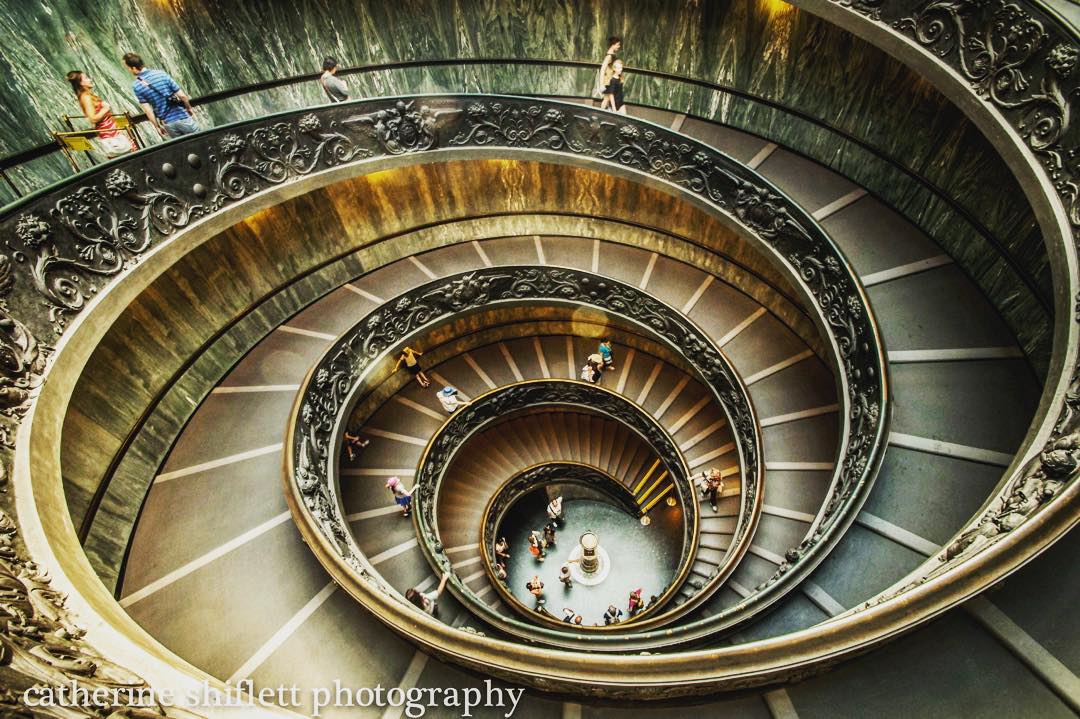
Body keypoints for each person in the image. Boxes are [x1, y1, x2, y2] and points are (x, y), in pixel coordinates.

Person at [123, 52, 199, 138]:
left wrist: (157, 127)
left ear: (133, 68)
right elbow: (182, 96)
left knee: (184, 147)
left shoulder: (137, 86)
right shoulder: (161, 74)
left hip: (168, 124)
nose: (128, 70)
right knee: (202, 141)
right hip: (183, 117)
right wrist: (189, 108)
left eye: (128, 68)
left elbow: (148, 111)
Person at [65, 71, 134, 158]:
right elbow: (92, 118)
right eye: (86, 78)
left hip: (113, 134)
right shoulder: (85, 97)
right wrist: (105, 109)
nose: (89, 79)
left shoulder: (88, 95)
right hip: (110, 138)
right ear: (81, 83)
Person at [597, 36, 622, 106]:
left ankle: (604, 113)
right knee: (606, 99)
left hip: (610, 80)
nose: (619, 46)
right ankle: (600, 113)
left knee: (608, 99)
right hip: (608, 82)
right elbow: (602, 69)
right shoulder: (609, 56)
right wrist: (601, 84)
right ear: (612, 45)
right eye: (617, 45)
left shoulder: (612, 55)